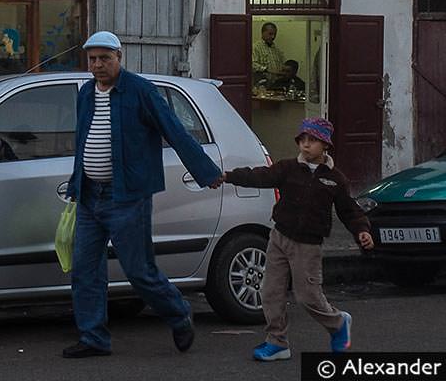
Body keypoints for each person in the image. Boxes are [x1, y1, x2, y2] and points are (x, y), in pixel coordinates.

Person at [62, 31, 223, 359]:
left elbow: (174, 131)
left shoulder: (141, 91)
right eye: (92, 59)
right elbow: (83, 141)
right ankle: (94, 337)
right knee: (85, 270)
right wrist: (77, 182)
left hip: (128, 197)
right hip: (90, 197)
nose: (98, 65)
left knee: (139, 270)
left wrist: (207, 172)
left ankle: (178, 315)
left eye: (105, 58)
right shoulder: (86, 94)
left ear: (119, 57)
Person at [212, 118, 371, 362]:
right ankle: (277, 342)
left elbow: (349, 210)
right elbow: (260, 176)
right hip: (278, 237)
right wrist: (228, 176)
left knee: (308, 296)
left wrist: (362, 230)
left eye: (313, 141)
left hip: (308, 245)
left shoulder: (335, 179)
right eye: (303, 140)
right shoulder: (287, 168)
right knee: (270, 292)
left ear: (325, 145)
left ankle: (338, 323)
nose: (306, 146)